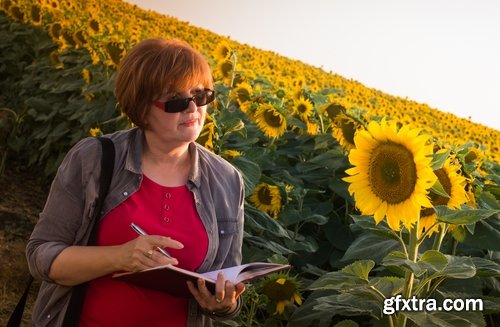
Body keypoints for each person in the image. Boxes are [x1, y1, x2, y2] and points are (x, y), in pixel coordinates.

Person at [26, 38, 246, 327]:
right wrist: (120, 257)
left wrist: (223, 304)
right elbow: (41, 256)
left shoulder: (227, 180)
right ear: (142, 107)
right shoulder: (95, 158)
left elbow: (227, 281)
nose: (193, 109)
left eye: (201, 95)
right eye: (176, 100)